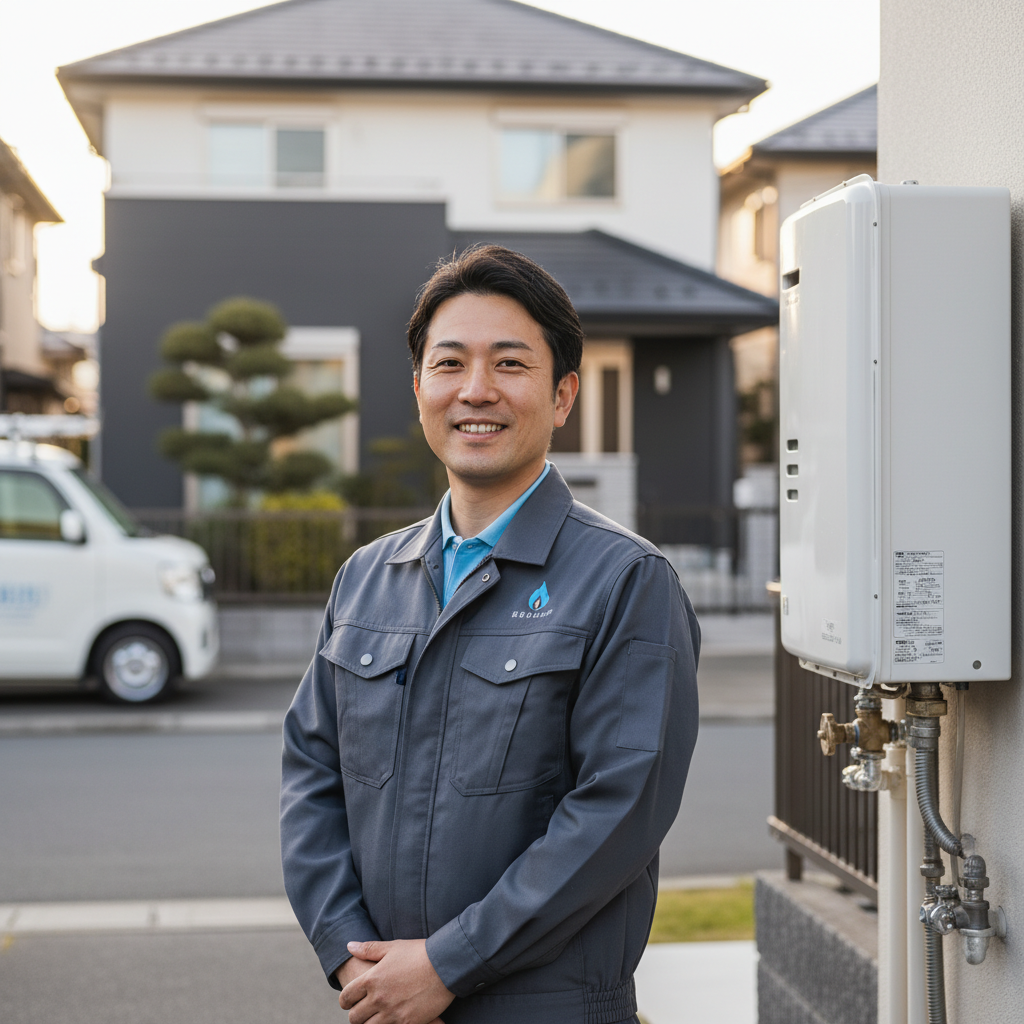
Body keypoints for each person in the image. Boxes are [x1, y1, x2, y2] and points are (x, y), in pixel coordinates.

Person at [281, 245, 700, 1024]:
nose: (476, 390)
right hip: (385, 1005)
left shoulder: (626, 583)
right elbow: (312, 776)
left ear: (564, 394)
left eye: (510, 364)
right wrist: (350, 954)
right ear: (419, 390)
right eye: (450, 365)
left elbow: (617, 814)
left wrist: (448, 963)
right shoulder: (367, 577)